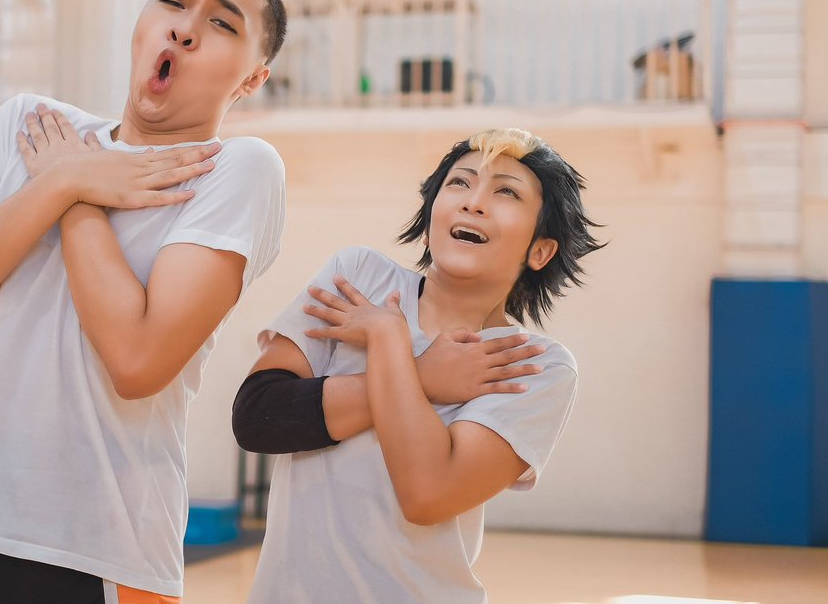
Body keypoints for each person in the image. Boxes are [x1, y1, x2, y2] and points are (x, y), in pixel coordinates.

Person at [0, 0, 288, 604]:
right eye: (174, 1)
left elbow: (136, 360)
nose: (185, 27)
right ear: (141, 21)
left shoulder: (237, 168)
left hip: (101, 555)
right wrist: (69, 177)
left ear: (252, 79)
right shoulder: (31, 126)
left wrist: (73, 191)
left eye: (222, 24)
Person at [233, 127, 603, 603]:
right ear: (431, 216)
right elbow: (258, 418)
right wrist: (424, 376)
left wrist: (388, 340)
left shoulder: (534, 365)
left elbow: (427, 494)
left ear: (540, 249)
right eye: (459, 183)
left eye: (506, 191)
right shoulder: (359, 276)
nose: (474, 202)